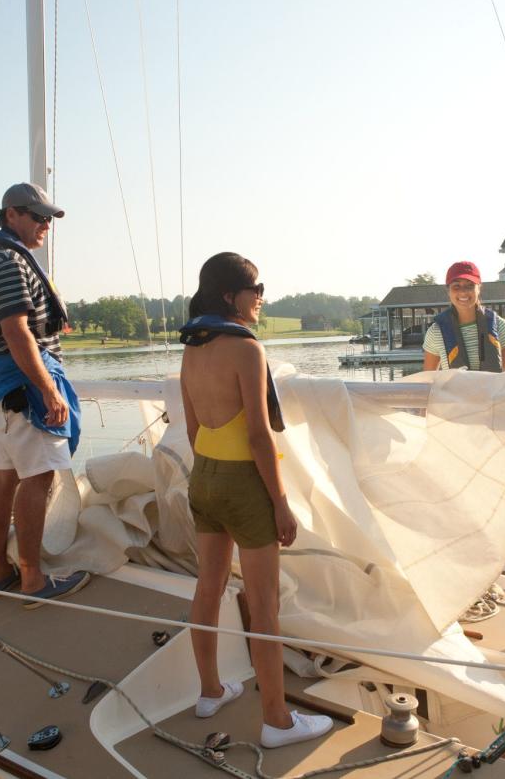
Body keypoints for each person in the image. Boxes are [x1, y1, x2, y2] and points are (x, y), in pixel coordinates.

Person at [177, 253, 333, 749]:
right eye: (256, 288)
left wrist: (216, 471)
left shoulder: (192, 349)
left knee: (208, 588)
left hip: (203, 478)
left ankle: (210, 691)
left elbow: (194, 428)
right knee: (264, 606)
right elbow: (260, 436)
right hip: (245, 484)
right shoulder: (246, 349)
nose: (262, 296)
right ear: (231, 296)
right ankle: (276, 721)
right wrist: (281, 503)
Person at [0, 182, 90, 608]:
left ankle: (1, 571)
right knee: (38, 480)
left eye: (48, 218)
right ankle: (33, 579)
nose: (45, 226)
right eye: (37, 217)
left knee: (6, 478)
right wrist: (48, 389)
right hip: (24, 387)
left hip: (5, 387)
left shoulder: (0, 258)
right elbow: (16, 332)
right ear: (11, 214)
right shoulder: (6, 262)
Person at [422, 261, 505, 372]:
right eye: (456, 286)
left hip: (493, 390)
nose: (463, 292)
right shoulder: (435, 332)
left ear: (479, 288)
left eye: (470, 286)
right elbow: (428, 380)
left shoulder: (500, 326)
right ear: (448, 291)